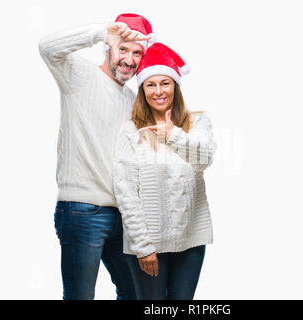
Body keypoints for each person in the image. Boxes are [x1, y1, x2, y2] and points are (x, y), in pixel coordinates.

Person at [38, 13, 155, 300]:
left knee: (136, 294)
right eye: (122, 49)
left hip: (122, 215)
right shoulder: (79, 75)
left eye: (136, 53)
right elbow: (47, 47)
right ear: (108, 47)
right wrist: (101, 31)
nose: (128, 59)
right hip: (82, 210)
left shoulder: (131, 99)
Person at [113, 42, 216, 300]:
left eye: (165, 83)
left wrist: (173, 135)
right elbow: (125, 192)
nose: (158, 91)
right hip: (148, 245)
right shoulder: (130, 130)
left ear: (175, 87)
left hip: (190, 242)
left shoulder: (198, 122)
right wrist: (144, 247)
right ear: (142, 90)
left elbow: (205, 158)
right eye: (151, 84)